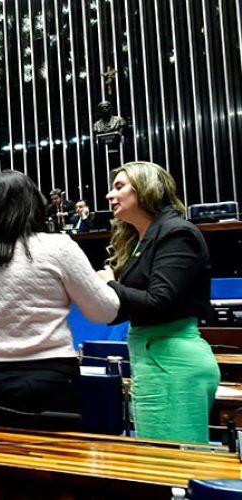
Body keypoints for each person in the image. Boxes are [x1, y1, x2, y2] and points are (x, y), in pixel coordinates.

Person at [0, 170, 118, 430]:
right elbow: (104, 312)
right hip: (53, 376)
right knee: (57, 464)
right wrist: (108, 281)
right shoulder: (59, 246)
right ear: (35, 203)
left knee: (0, 464)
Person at [97, 161, 219, 443]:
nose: (109, 196)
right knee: (161, 466)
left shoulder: (177, 232)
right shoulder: (141, 239)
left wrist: (111, 285)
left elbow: (159, 301)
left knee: (175, 471)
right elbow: (128, 307)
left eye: (119, 187)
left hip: (172, 363)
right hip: (154, 362)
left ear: (145, 189)